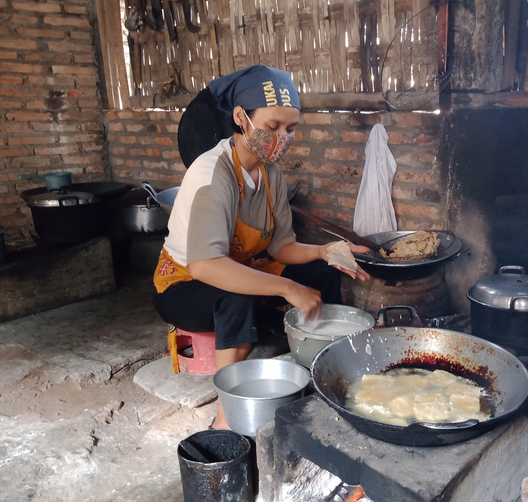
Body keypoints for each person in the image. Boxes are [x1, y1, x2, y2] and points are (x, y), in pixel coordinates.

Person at [152, 65, 369, 430]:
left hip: (245, 268)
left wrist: (322, 252)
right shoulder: (212, 173)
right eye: (272, 127)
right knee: (236, 297)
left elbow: (282, 245)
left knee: (321, 273)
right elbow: (206, 266)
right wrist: (287, 287)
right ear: (241, 118)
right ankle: (226, 415)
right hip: (183, 285)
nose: (282, 138)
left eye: (290, 128)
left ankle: (323, 365)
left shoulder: (271, 174)